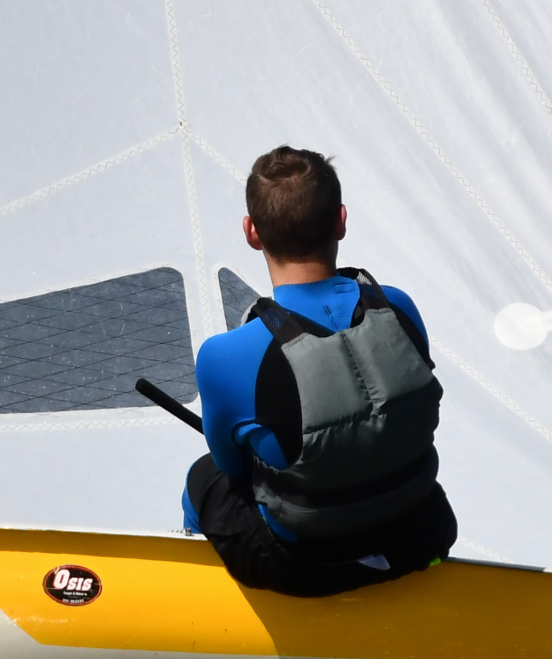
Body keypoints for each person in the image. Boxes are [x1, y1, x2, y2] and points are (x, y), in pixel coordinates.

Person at [181, 146, 457, 596]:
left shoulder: (223, 356)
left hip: (304, 566)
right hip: (420, 533)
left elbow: (232, 467)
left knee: (204, 478)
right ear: (340, 221)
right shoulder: (399, 308)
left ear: (252, 232)